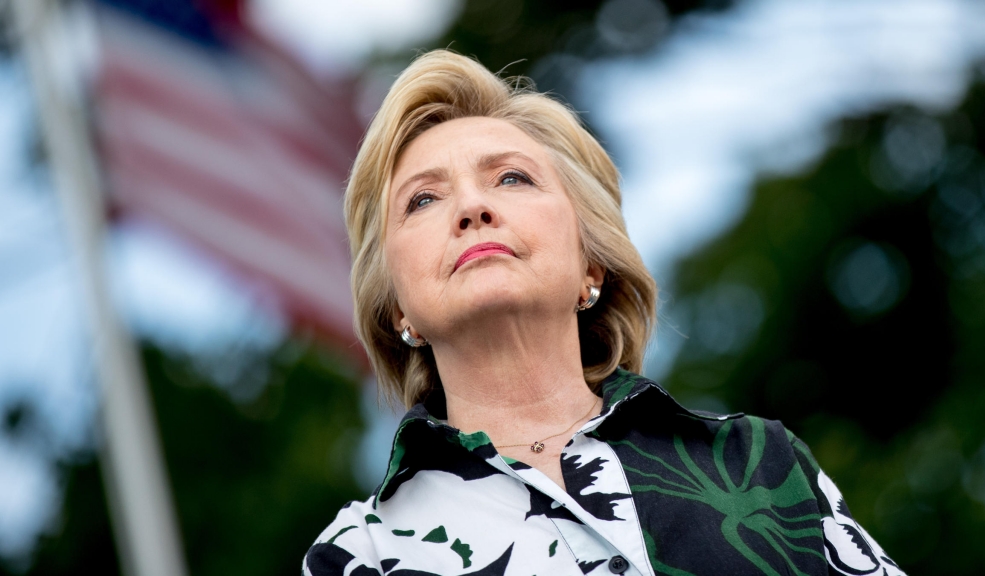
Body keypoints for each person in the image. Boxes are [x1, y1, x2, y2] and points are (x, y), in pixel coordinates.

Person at [304, 50, 904, 576]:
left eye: (511, 178)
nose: (472, 206)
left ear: (591, 265)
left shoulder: (765, 467)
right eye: (424, 199)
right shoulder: (360, 557)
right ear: (396, 308)